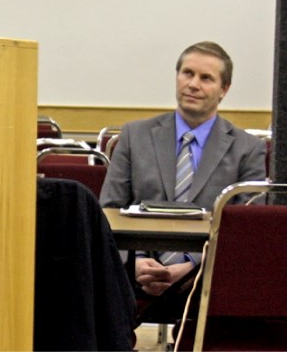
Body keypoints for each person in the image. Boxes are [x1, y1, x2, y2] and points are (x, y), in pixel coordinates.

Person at [99, 41, 266, 317]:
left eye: (206, 78)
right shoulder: (134, 137)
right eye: (187, 73)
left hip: (207, 279)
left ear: (224, 90)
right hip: (131, 275)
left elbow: (245, 231)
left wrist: (190, 266)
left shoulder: (247, 149)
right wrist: (136, 262)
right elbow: (108, 211)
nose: (193, 84)